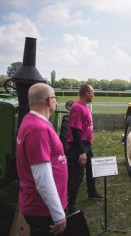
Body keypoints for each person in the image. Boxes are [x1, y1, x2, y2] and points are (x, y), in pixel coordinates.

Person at [16, 83, 67, 236]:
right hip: (44, 211)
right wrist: (58, 214)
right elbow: (42, 178)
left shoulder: (30, 120)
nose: (56, 102)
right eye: (55, 98)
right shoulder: (38, 129)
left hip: (41, 207)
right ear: (50, 100)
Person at [67, 84, 104, 214]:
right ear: (87, 93)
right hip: (79, 146)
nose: (93, 95)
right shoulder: (77, 108)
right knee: (77, 177)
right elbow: (76, 131)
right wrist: (81, 151)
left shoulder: (84, 106)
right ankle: (69, 206)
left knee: (91, 169)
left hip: (86, 145)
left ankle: (92, 192)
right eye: (92, 92)